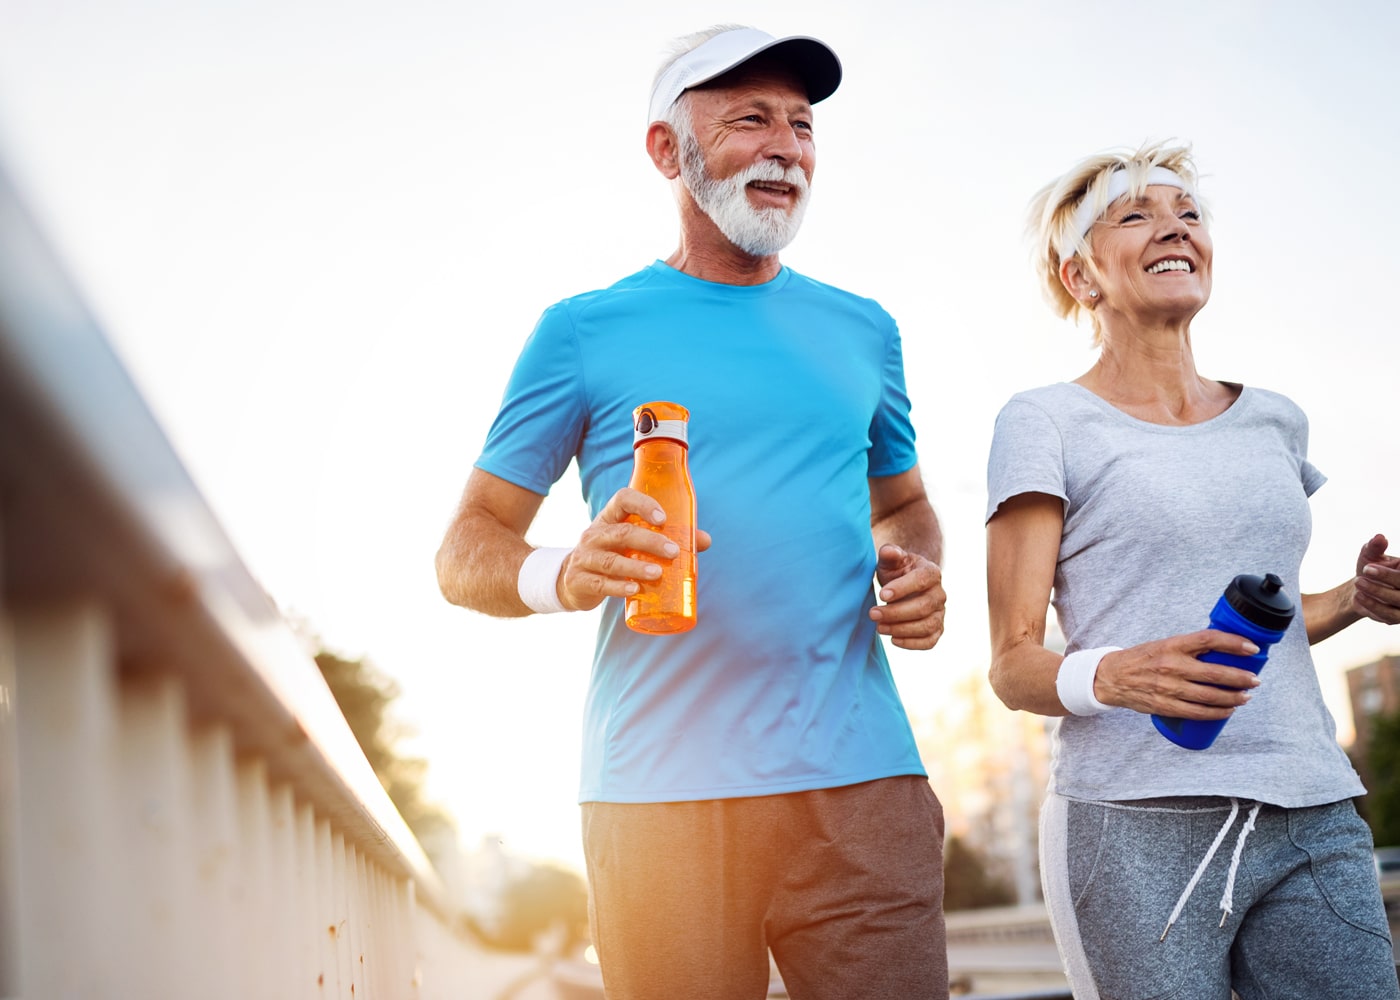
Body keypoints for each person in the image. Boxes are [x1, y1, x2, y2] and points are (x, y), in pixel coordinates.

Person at [435, 24, 949, 999]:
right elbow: (464, 548)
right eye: (749, 119)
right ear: (666, 150)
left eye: (800, 126)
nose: (785, 147)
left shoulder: (864, 330)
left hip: (863, 783)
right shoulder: (581, 331)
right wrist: (566, 571)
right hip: (656, 794)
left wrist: (914, 569)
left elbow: (908, 504)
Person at [985, 139, 1400, 999]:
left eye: (1188, 213)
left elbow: (1267, 631)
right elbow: (1014, 665)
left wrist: (1354, 600)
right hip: (1133, 822)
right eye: (1135, 215)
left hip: (1309, 802)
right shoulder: (1045, 422)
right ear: (1081, 277)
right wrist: (1121, 675)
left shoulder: (1277, 422)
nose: (1173, 228)